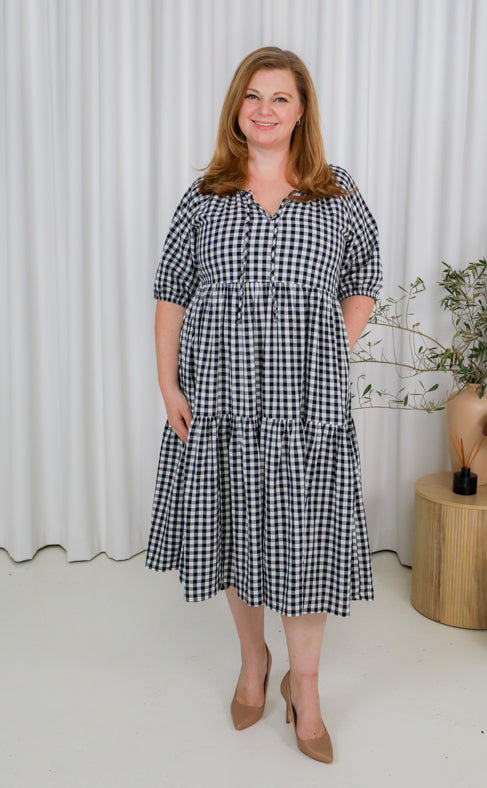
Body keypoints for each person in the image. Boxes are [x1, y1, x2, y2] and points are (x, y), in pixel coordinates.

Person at [145, 46, 382, 764]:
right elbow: (172, 289)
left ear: (301, 110)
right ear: (236, 109)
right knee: (231, 534)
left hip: (306, 406)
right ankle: (255, 666)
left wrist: (335, 340)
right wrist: (168, 384)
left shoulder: (335, 191)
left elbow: (365, 270)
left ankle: (304, 690)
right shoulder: (207, 193)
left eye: (280, 98)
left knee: (305, 544)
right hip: (219, 403)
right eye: (253, 97)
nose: (265, 110)